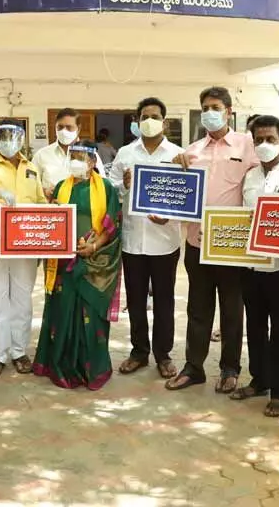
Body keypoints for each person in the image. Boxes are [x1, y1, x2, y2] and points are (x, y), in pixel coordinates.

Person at [166, 86, 258, 393]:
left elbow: (265, 183)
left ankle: (230, 368)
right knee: (198, 308)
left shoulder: (248, 145)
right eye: (205, 107)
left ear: (229, 111)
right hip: (196, 243)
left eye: (215, 106)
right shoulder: (191, 151)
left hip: (231, 245)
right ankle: (194, 367)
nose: (210, 112)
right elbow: (179, 194)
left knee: (232, 309)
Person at [33, 140, 121, 389]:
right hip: (63, 261)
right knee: (62, 311)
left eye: (82, 158)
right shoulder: (61, 186)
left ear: (93, 162)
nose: (76, 162)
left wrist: (93, 246)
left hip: (95, 261)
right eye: (73, 156)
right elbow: (53, 220)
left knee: (90, 315)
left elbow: (111, 222)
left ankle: (90, 367)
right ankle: (60, 365)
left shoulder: (105, 187)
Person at [108, 97, 183, 380]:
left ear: (164, 122)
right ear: (138, 122)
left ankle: (163, 354)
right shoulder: (125, 153)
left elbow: (186, 197)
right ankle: (139, 351)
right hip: (133, 240)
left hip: (165, 240)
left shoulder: (178, 154)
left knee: (165, 301)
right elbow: (111, 190)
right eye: (144, 116)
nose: (149, 120)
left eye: (155, 116)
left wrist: (171, 216)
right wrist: (124, 187)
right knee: (136, 300)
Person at [232, 115, 279, 417]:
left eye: (271, 139)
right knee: (255, 327)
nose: (264, 145)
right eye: (259, 140)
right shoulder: (251, 176)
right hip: (251, 265)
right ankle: (259, 380)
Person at [0, 121, 46, 378]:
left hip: (26, 244)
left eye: (13, 136)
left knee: (22, 300)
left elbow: (41, 203)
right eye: (2, 136)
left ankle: (19, 351)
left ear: (22, 139)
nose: (8, 141)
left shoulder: (32, 169)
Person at [33, 108, 81, 198]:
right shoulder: (41, 155)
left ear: (78, 129)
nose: (64, 131)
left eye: (69, 127)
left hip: (81, 210)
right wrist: (44, 191)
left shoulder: (91, 156)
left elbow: (101, 186)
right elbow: (30, 185)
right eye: (60, 127)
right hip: (51, 209)